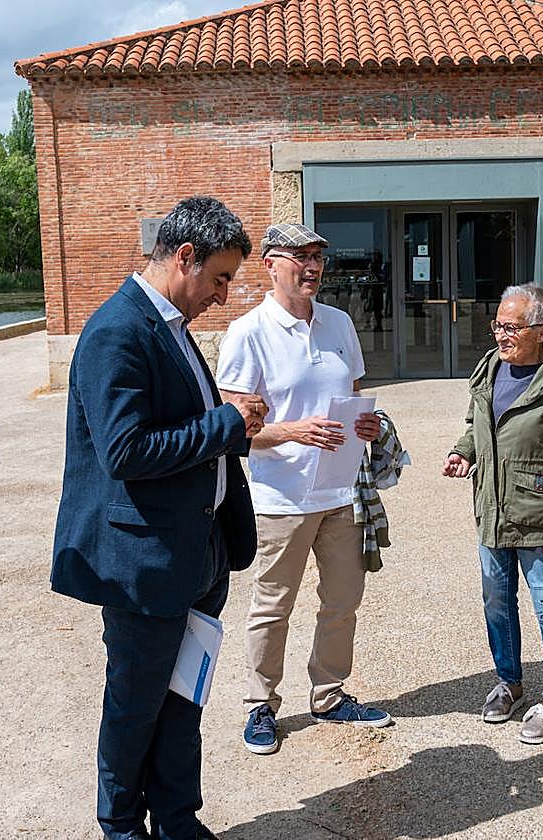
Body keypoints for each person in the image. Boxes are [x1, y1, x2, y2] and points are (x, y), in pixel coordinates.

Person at [51, 196, 267, 840]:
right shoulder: (117, 330)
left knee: (181, 701)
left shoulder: (168, 325)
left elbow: (177, 426)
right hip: (145, 563)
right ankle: (121, 827)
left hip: (197, 552)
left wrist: (229, 422)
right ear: (184, 257)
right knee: (135, 705)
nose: (223, 296)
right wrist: (225, 422)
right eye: (220, 278)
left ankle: (176, 819)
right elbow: (125, 451)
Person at [216, 222, 391, 757]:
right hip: (282, 498)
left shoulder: (340, 323)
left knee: (342, 602)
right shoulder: (248, 333)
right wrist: (293, 431)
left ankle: (329, 694)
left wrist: (368, 426)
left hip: (342, 492)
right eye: (300, 257)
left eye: (317, 257)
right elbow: (231, 429)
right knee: (273, 606)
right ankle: (260, 704)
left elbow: (354, 397)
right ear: (270, 264)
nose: (312, 267)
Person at [442, 283, 543, 745]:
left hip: (542, 514)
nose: (501, 335)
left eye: (512, 328)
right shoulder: (490, 366)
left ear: (542, 330)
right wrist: (464, 451)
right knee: (497, 602)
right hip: (492, 509)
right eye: (498, 326)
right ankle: (509, 682)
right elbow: (477, 424)